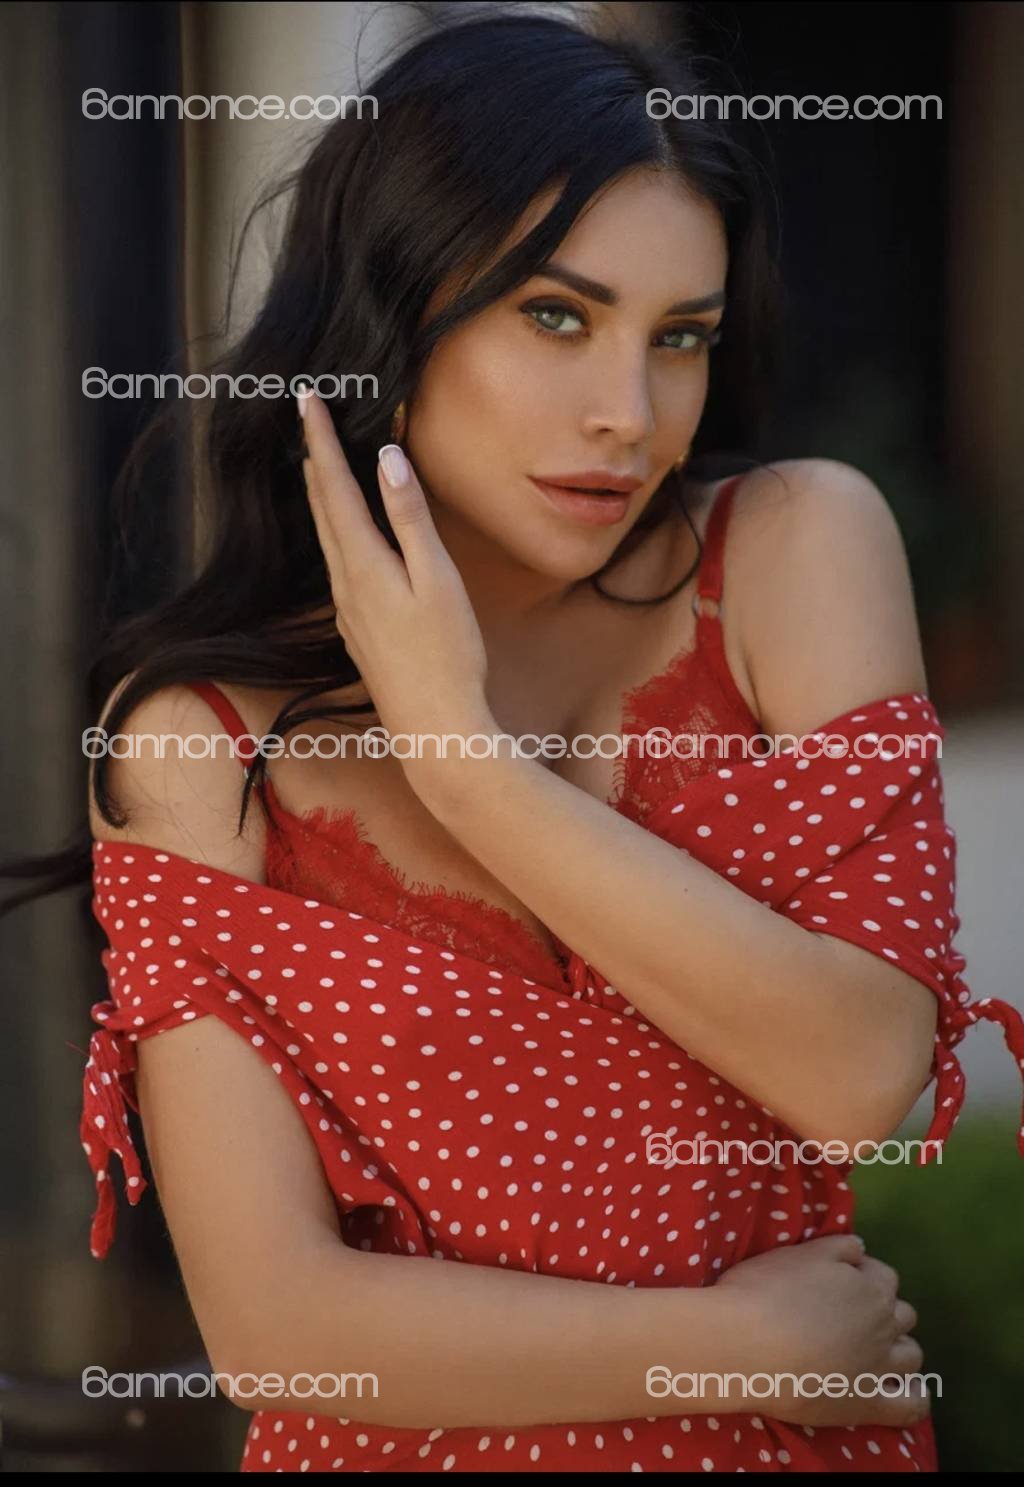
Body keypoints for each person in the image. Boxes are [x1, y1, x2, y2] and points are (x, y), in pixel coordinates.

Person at [13, 10, 1007, 1474]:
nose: (630, 415)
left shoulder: (792, 554)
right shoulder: (199, 738)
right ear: (393, 313)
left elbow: (862, 1076)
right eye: (556, 316)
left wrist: (469, 768)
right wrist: (735, 1345)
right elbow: (278, 1328)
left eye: (680, 338)